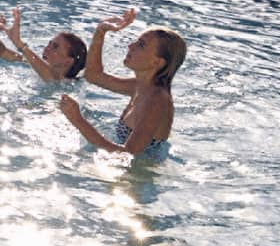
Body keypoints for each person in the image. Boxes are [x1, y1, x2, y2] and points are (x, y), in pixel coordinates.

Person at [58, 9, 187, 157]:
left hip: (140, 175)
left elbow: (127, 155)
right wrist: (101, 31)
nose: (130, 46)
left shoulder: (157, 101)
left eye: (141, 45)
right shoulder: (139, 86)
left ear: (157, 62)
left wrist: (77, 119)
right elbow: (93, 75)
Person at [0, 6, 88, 81]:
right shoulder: (32, 64)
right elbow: (1, 52)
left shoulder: (68, 84)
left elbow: (52, 76)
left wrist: (18, 42)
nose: (47, 48)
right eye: (49, 44)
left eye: (55, 47)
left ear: (68, 62)